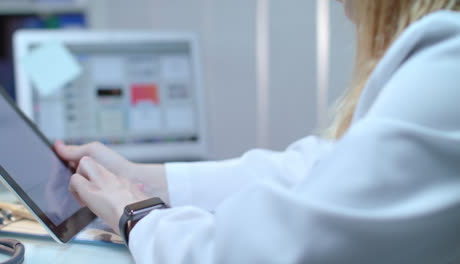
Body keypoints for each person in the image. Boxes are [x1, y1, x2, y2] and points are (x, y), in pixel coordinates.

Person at [55, 0, 460, 263]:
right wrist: (138, 179)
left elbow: (272, 251)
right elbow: (319, 168)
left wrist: (137, 215)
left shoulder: (446, 73)